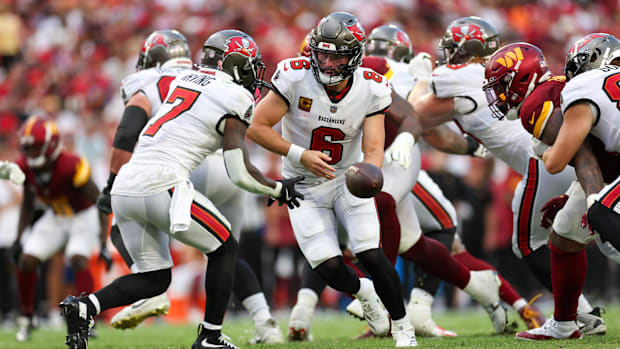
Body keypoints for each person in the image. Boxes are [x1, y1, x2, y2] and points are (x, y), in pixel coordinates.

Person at [60, 29, 303, 349]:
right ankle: (211, 336)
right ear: (233, 65)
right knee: (226, 245)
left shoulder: (184, 80)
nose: (252, 74)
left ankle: (85, 307)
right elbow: (238, 171)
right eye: (248, 65)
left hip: (127, 186)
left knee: (155, 278)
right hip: (163, 182)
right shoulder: (236, 96)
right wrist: (277, 189)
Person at [409, 17, 605, 334]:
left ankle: (578, 315)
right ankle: (579, 315)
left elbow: (413, 115)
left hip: (540, 159)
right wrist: (474, 149)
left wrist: (419, 79)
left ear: (463, 50)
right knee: (570, 236)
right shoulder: (499, 74)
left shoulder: (459, 75)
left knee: (528, 244)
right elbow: (440, 136)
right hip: (568, 159)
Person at [248, 12, 417, 347]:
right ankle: (363, 291)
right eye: (321, 52)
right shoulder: (294, 76)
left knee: (370, 251)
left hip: (345, 178)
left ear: (353, 55)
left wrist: (367, 173)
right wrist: (300, 154)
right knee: (326, 265)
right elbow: (256, 127)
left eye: (335, 55)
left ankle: (403, 327)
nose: (325, 61)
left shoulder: (372, 85)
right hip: (303, 183)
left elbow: (372, 147)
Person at [484, 35, 620, 340]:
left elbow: (578, 155)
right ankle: (564, 323)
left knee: (610, 241)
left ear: (521, 79)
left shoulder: (538, 102)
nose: (498, 94)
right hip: (611, 166)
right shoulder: (570, 85)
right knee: (564, 237)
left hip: (608, 173)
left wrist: (596, 202)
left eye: (502, 84)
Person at [6, 116, 109, 342]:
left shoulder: (71, 165)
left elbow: (101, 203)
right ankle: (27, 317)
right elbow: (27, 204)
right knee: (27, 260)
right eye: (27, 148)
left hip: (82, 215)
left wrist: (103, 242)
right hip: (56, 216)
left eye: (34, 147)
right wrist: (18, 238)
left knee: (78, 258)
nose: (30, 153)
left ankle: (86, 318)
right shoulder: (25, 167)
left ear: (50, 146)